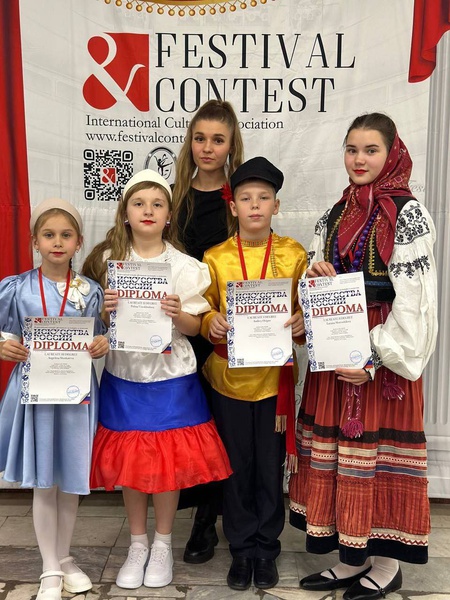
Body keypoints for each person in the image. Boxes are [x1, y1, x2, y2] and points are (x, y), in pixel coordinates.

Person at [288, 113, 438, 600]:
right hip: (336, 354)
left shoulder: (407, 214)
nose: (359, 159)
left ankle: (387, 564)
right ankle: (352, 559)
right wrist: (316, 279)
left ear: (392, 153)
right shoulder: (335, 212)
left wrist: (373, 356)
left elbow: (416, 302)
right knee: (340, 456)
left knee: (374, 454)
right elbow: (318, 281)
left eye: (371, 150)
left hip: (380, 358)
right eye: (352, 149)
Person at [83, 169, 232, 589]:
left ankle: (163, 543)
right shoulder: (107, 261)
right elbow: (94, 324)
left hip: (171, 375)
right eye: (138, 203)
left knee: (167, 462)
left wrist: (177, 313)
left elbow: (194, 327)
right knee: (132, 462)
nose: (148, 211)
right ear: (125, 213)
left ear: (169, 215)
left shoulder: (185, 267)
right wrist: (105, 310)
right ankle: (137, 543)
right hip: (125, 373)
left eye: (157, 204)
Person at [201, 156, 307, 591]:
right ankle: (241, 548)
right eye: (246, 198)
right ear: (233, 207)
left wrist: (302, 323)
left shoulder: (294, 255)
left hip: (273, 386)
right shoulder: (215, 258)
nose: (256, 205)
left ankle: (267, 547)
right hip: (229, 381)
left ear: (276, 206)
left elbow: (305, 311)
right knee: (236, 467)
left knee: (269, 467)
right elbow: (202, 309)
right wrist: (211, 322)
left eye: (264, 198)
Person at [0, 198, 109, 600]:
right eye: (49, 235)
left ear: (79, 242)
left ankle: (63, 557)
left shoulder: (91, 291)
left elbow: (100, 334)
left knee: (71, 478)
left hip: (76, 395)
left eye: (66, 235)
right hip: (36, 394)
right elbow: (4, 332)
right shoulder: (16, 288)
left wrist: (102, 343)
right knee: (44, 478)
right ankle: (49, 567)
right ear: (35, 241)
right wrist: (2, 346)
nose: (57, 242)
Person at [171, 99, 244, 564]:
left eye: (218, 139)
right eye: (200, 138)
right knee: (191, 422)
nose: (208, 147)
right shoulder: (172, 195)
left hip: (223, 325)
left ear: (231, 145)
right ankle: (197, 510)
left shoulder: (239, 199)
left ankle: (212, 517)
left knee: (222, 421)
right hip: (179, 326)